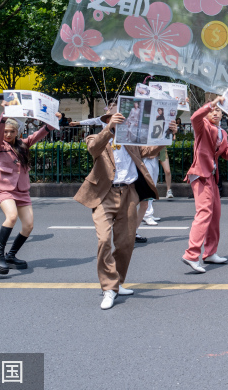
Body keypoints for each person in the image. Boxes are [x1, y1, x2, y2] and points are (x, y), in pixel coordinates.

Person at [74, 111, 175, 309]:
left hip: (128, 193)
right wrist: (109, 128)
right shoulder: (96, 137)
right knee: (104, 240)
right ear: (107, 120)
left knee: (126, 242)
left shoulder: (131, 140)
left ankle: (117, 282)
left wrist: (168, 134)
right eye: (114, 119)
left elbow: (150, 150)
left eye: (122, 119)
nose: (120, 122)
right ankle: (109, 288)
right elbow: (94, 149)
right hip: (104, 195)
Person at [0, 103, 59, 274]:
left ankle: (10, 255)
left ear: (17, 132)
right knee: (11, 217)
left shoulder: (23, 145)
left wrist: (51, 121)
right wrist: (3, 115)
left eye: (12, 131)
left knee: (28, 226)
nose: (8, 134)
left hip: (22, 191)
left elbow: (39, 134)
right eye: (6, 132)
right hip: (5, 189)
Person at [181, 96, 228, 273]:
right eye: (213, 110)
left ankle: (210, 252)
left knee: (215, 214)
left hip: (212, 177)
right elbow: (194, 118)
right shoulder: (202, 127)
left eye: (219, 111)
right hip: (200, 175)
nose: (216, 113)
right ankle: (191, 254)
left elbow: (226, 155)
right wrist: (211, 103)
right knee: (204, 212)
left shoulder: (222, 133)